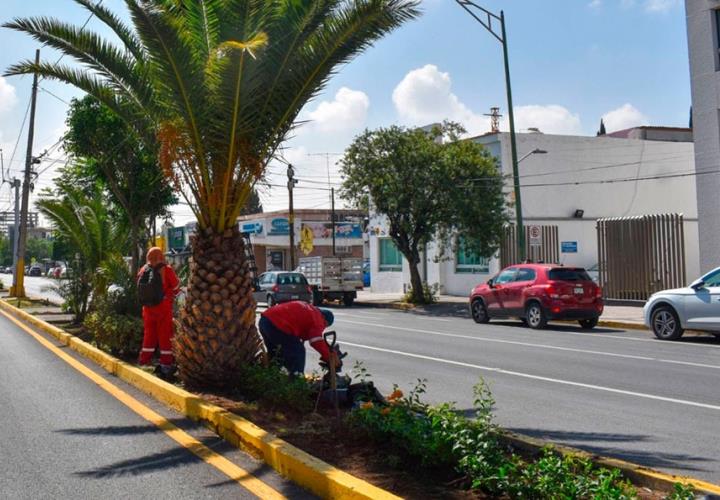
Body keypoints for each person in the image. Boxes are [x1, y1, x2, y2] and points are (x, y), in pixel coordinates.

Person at [258, 301, 338, 374]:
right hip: (278, 325)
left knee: (276, 354)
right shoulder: (318, 318)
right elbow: (316, 341)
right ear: (325, 321)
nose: (323, 327)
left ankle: (271, 379)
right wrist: (328, 356)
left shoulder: (309, 309)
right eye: (325, 325)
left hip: (265, 320)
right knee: (298, 352)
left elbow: (300, 326)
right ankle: (297, 381)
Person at [137, 247, 180, 377]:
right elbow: (176, 287)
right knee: (165, 336)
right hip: (163, 308)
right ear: (161, 256)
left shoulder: (143, 269)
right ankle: (166, 363)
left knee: (149, 334)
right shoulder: (166, 269)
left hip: (148, 309)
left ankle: (144, 360)